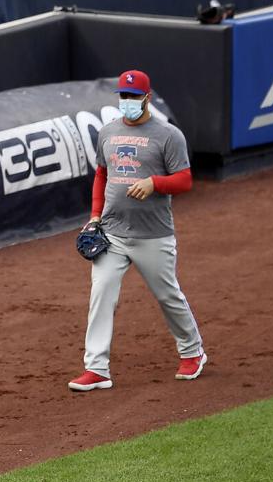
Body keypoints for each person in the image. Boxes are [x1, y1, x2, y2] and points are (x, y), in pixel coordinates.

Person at [69, 70, 207, 392]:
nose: (127, 102)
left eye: (133, 96)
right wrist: (94, 216)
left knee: (167, 295)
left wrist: (155, 183)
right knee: (101, 295)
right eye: (123, 96)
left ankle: (192, 351)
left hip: (153, 234)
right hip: (113, 232)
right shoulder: (107, 132)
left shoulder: (169, 135)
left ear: (146, 97)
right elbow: (102, 175)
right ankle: (97, 368)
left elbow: (185, 180)